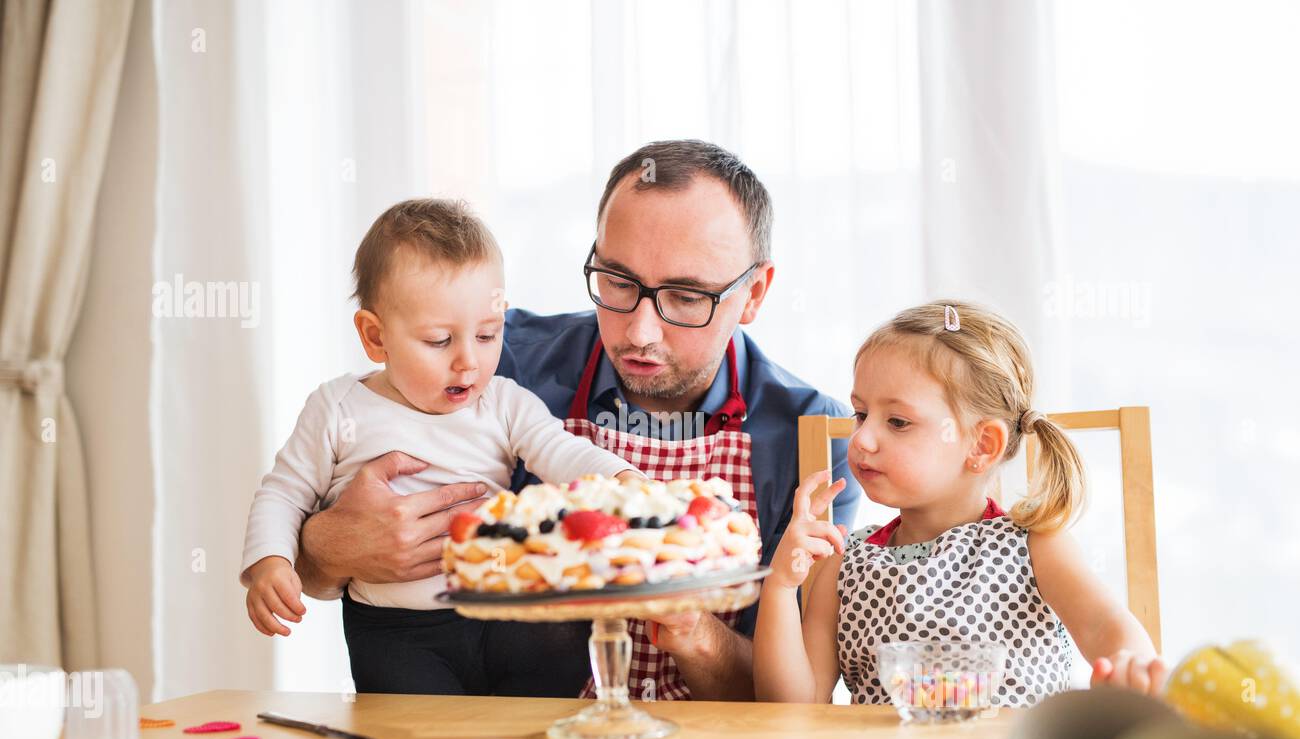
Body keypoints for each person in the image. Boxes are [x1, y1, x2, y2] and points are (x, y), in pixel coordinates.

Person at [295, 140, 860, 701]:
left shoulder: (814, 435)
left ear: (754, 293)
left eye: (686, 296)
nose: (640, 331)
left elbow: (790, 705)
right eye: (617, 281)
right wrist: (327, 550)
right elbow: (311, 554)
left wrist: (695, 632)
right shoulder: (492, 361)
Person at [240, 198, 638, 695]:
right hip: (398, 632)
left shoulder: (503, 402)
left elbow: (559, 450)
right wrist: (270, 563)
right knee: (414, 733)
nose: (468, 362)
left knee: (559, 639)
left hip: (503, 607)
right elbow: (283, 492)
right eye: (438, 341)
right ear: (375, 336)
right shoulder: (338, 409)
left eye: (489, 334)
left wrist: (622, 480)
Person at [754, 300, 1166, 705]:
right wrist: (780, 586)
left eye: (897, 422)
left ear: (982, 446)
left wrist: (1132, 666)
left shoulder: (1034, 545)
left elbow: (1102, 625)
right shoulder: (843, 564)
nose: (860, 439)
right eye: (861, 414)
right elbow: (796, 705)